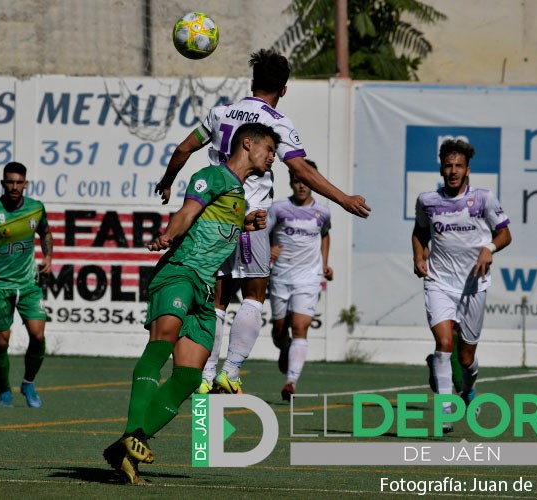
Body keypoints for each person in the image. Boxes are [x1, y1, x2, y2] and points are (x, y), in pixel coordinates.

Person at [155, 49, 370, 396]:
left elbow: (182, 150)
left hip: (213, 221)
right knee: (254, 295)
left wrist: (167, 181)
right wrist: (343, 198)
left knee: (217, 301)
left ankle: (206, 376)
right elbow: (301, 169)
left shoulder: (220, 113)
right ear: (283, 90)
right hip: (250, 219)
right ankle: (232, 371)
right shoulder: (277, 123)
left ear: (252, 82)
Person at [103, 123, 279, 485]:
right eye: (270, 150)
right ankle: (132, 436)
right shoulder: (211, 175)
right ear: (249, 144)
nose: (273, 158)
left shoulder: (238, 193)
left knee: (188, 377)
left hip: (203, 287)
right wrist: (169, 234)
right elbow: (187, 212)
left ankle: (129, 444)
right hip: (180, 272)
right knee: (161, 342)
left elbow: (214, 224)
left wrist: (246, 224)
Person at [411, 139, 512, 433]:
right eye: (448, 165)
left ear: (467, 169)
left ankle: (468, 390)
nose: (453, 171)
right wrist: (419, 256)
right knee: (443, 344)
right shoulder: (427, 201)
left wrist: (489, 248)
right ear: (441, 169)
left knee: (466, 359)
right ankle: (446, 410)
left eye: (458, 166)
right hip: (439, 282)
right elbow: (419, 232)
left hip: (473, 286)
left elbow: (505, 234)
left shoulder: (483, 199)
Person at [0, 162, 53, 409]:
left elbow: (45, 233)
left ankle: (28, 382)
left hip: (28, 283)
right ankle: (4, 389)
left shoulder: (36, 209)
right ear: (3, 183)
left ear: (25, 184)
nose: (14, 187)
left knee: (38, 335)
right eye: (10, 182)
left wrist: (48, 257)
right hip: (0, 286)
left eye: (19, 182)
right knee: (1, 341)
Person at [268, 160, 332, 401]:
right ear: (291, 181)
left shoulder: (323, 212)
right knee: (278, 331)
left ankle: (291, 382)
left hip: (309, 278)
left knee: (300, 327)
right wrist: (269, 248)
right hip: (281, 276)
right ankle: (285, 348)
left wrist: (324, 264)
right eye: (297, 180)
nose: (301, 185)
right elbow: (261, 235)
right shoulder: (278, 208)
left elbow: (325, 235)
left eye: (306, 180)